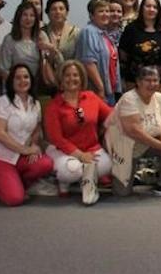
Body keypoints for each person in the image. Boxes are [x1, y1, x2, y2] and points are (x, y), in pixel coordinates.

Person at [105, 66, 161, 197]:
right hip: (124, 146)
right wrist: (160, 146)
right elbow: (134, 132)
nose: (152, 84)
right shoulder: (129, 99)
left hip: (149, 142)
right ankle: (130, 173)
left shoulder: (159, 97)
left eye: (155, 80)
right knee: (122, 193)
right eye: (148, 80)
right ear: (138, 82)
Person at [44, 60, 113, 205]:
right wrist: (80, 155)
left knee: (107, 165)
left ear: (81, 78)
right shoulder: (54, 106)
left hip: (91, 149)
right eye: (67, 75)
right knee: (72, 170)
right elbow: (56, 138)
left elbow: (111, 116)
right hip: (63, 151)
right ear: (61, 80)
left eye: (75, 75)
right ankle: (67, 181)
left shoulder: (91, 97)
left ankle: (86, 180)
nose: (71, 79)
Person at [0, 64, 53, 206]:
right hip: (1, 156)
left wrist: (33, 145)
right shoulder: (2, 102)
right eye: (18, 78)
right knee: (14, 199)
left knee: (46, 164)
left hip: (21, 156)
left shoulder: (35, 103)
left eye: (26, 77)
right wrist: (25, 150)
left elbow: (36, 127)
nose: (22, 81)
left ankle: (18, 182)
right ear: (11, 81)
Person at [119, 0, 161, 93]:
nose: (151, 9)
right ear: (142, 8)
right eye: (148, 6)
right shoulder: (131, 29)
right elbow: (123, 57)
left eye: (155, 7)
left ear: (159, 11)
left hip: (160, 84)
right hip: (134, 82)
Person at [75, 0, 120, 105]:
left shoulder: (105, 34)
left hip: (109, 92)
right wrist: (100, 88)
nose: (105, 14)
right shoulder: (89, 31)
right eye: (101, 11)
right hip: (96, 92)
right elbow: (89, 63)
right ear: (91, 15)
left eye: (107, 11)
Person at [0, 1, 47, 82]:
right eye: (25, 15)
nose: (28, 18)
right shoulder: (9, 39)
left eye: (32, 15)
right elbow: (3, 69)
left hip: (37, 85)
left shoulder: (41, 36)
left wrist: (50, 48)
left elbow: (48, 62)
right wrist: (18, 84)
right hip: (14, 85)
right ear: (18, 17)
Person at [40, 0, 80, 90]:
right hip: (46, 84)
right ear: (48, 13)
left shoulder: (76, 32)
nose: (58, 12)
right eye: (53, 9)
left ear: (66, 12)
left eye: (61, 9)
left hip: (70, 82)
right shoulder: (41, 33)